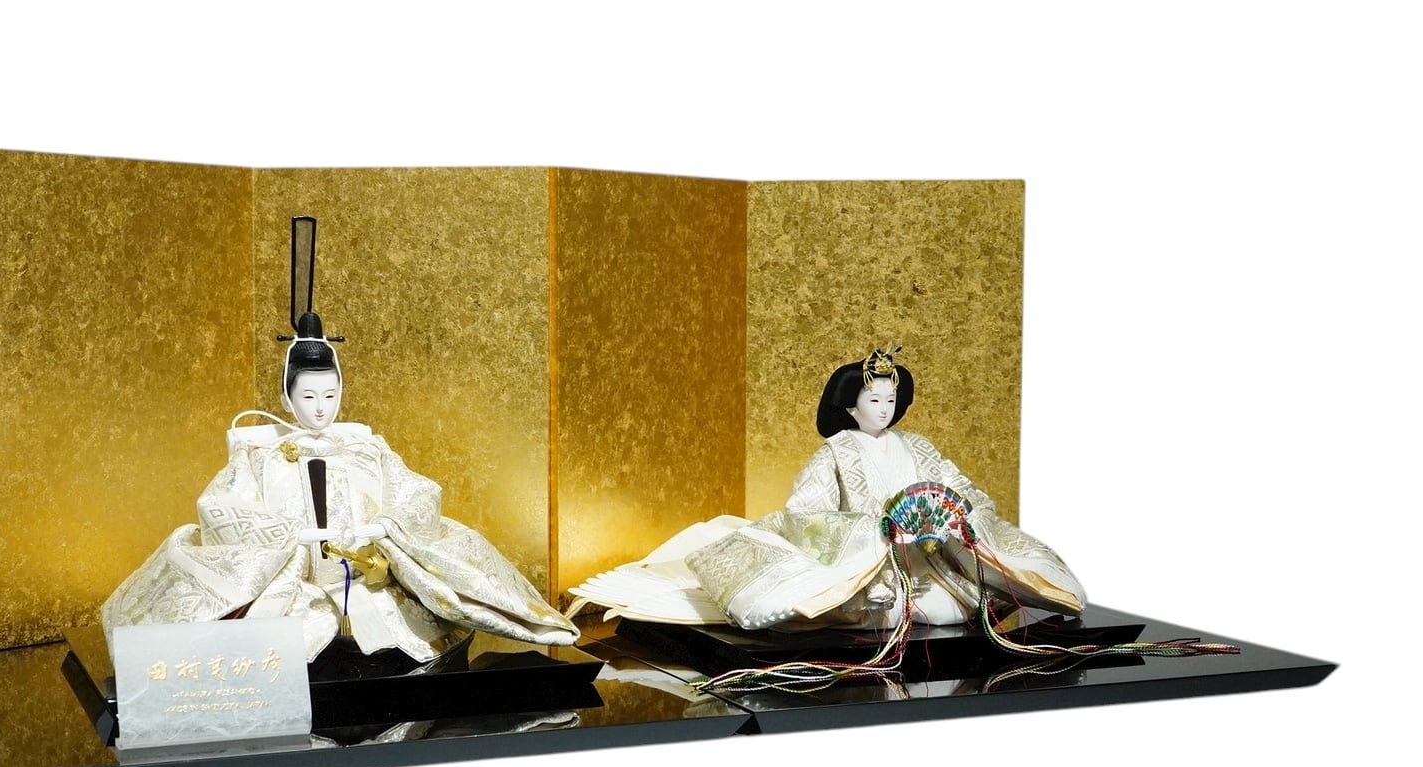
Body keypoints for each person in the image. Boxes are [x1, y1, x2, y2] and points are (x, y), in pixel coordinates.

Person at [100, 222, 579, 663]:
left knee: (413, 621)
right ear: (287, 398)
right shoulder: (259, 454)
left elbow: (417, 493)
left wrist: (386, 526)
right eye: (307, 396)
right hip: (293, 588)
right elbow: (221, 508)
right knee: (263, 647)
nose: (320, 408)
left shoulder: (367, 448)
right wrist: (287, 536)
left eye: (330, 395)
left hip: (372, 581)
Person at [684, 346, 1087, 632]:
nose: (884, 409)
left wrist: (954, 519)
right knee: (852, 608)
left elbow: (968, 493)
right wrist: (874, 532)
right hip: (870, 569)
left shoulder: (920, 447)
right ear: (850, 407)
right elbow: (805, 513)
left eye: (890, 400)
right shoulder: (836, 452)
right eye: (874, 400)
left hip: (932, 562)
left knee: (953, 608)